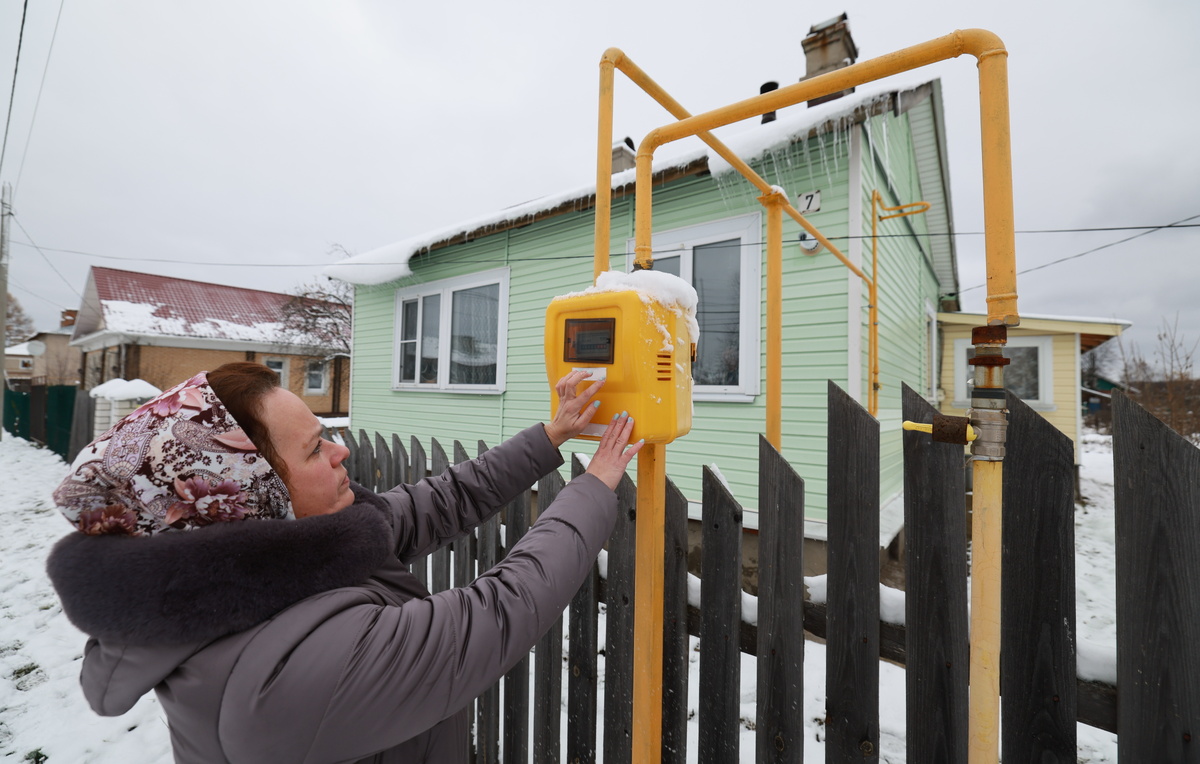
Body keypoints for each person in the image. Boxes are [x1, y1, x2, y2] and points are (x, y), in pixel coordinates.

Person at [47, 362, 640, 763]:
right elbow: (502, 609)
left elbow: (445, 499)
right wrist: (596, 485)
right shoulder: (281, 675)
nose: (341, 449)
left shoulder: (282, 560)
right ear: (246, 498)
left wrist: (552, 435)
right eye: (314, 448)